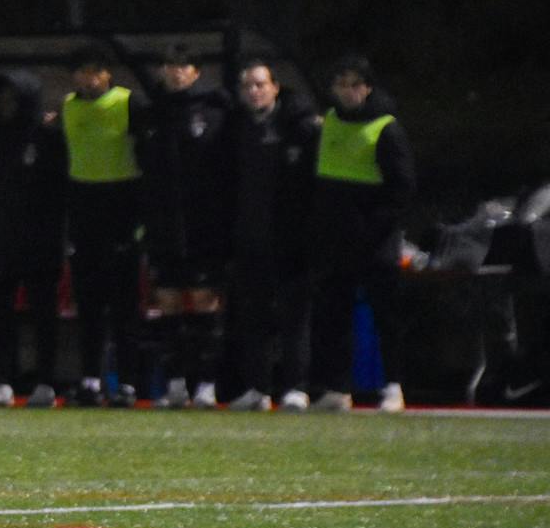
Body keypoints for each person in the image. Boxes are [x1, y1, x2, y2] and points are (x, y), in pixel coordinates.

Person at [307, 55, 414, 413]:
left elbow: (402, 190)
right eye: (341, 84)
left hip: (374, 242)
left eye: (355, 84)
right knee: (334, 317)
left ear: (367, 88)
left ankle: (393, 386)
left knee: (386, 317)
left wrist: (372, 230)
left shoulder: (386, 128)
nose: (348, 91)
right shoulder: (328, 123)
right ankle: (337, 388)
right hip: (336, 242)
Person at [139, 45, 233, 409]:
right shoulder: (152, 113)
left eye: (183, 65)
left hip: (203, 225)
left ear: (195, 72)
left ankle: (206, 384)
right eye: (169, 65)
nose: (175, 71)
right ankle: (176, 383)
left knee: (205, 302)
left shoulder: (214, 110)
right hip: (164, 225)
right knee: (168, 303)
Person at [0, 71, 66, 408]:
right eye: (2, 97)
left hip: (40, 241)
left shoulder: (48, 137)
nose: (6, 104)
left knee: (43, 315)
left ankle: (45, 382)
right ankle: (1, 381)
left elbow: (62, 188)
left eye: (13, 97)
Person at [225, 59, 317, 411]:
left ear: (275, 87)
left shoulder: (299, 126)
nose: (254, 91)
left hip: (291, 239)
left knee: (294, 316)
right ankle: (258, 387)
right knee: (254, 317)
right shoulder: (237, 128)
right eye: (247, 85)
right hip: (250, 237)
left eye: (260, 84)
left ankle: (295, 386)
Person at [61, 43, 147, 406]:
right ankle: (91, 380)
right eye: (81, 71)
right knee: (89, 304)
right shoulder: (68, 107)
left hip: (121, 206)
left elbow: (147, 156)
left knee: (125, 304)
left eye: (94, 71)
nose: (88, 78)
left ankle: (127, 382)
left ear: (107, 73)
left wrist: (140, 218)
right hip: (84, 208)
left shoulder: (127, 103)